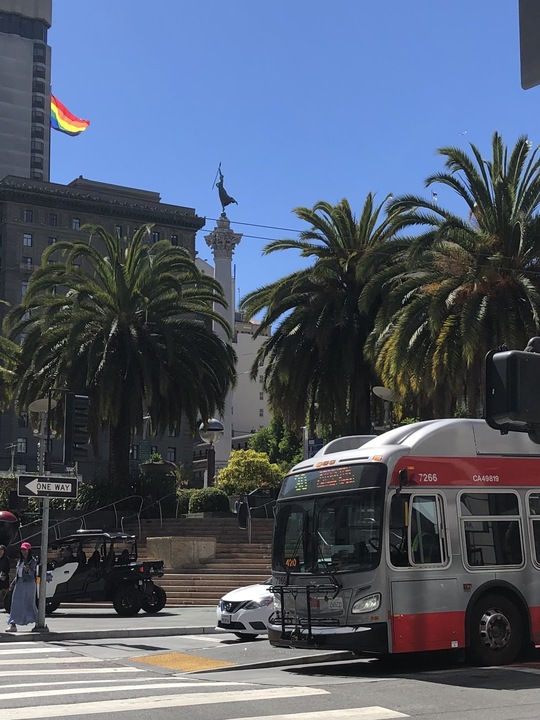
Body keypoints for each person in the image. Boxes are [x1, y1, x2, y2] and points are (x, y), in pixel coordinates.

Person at [6, 541, 37, 632]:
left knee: (29, 604)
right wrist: (12, 584)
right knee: (15, 604)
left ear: (29, 550)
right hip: (19, 584)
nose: (24, 552)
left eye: (25, 550)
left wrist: (28, 570)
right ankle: (13, 624)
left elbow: (33, 574)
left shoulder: (32, 561)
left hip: (28, 585)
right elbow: (18, 575)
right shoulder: (20, 561)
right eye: (22, 550)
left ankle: (38, 622)